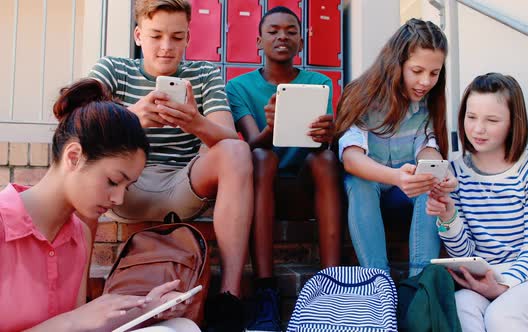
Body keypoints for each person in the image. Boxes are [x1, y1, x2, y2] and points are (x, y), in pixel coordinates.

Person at [89, 1, 253, 330]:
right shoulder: (113, 69)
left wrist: (195, 122)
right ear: (138, 35)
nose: (166, 47)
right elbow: (76, 124)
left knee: (236, 152)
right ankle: (77, 296)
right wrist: (131, 117)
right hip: (124, 186)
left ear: (189, 37)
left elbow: (229, 138)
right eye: (156, 36)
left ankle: (229, 298)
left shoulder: (205, 74)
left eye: (177, 37)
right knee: (81, 160)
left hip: (182, 184)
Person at [0, 79, 200, 332]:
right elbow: (74, 323)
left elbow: (81, 326)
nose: (119, 199)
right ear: (74, 157)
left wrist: (149, 308)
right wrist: (73, 320)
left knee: (180, 328)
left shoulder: (78, 235)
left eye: (126, 187)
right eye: (113, 181)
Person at [225, 6, 342, 331]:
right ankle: (266, 290)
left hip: (306, 187)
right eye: (273, 31)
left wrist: (325, 137)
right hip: (262, 188)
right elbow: (249, 144)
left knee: (327, 159)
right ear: (258, 41)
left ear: (301, 43)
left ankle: (332, 285)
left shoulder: (319, 82)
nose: (282, 36)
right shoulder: (238, 87)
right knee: (262, 158)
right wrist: (270, 129)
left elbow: (319, 148)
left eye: (291, 31)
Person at [426, 73, 528, 331]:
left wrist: (504, 286)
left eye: (491, 120)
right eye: (471, 118)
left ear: (513, 124)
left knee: (502, 315)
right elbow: (465, 255)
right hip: (486, 278)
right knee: (460, 307)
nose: (478, 129)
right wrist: (448, 216)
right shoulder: (455, 173)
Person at [335, 18, 455, 277]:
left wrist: (436, 170)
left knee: (430, 183)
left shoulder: (429, 104)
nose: (425, 81)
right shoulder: (361, 96)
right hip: (371, 189)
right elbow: (352, 159)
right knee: (360, 181)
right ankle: (377, 278)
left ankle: (420, 280)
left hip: (406, 192)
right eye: (417, 71)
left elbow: (428, 146)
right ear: (396, 63)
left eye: (434, 73)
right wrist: (396, 177)